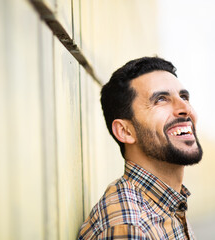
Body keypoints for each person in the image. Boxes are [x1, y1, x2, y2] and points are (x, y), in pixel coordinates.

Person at [77, 57, 203, 239]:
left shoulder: (167, 205)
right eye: (161, 99)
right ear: (125, 131)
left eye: (184, 97)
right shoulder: (129, 227)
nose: (185, 108)